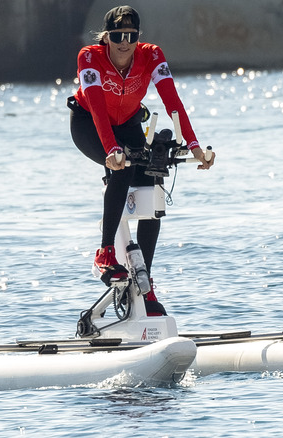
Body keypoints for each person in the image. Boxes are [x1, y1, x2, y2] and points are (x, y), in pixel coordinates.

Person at [67, 5, 215, 315]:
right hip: (89, 124)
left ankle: (143, 281)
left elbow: (172, 101)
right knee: (121, 170)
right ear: (107, 37)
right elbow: (95, 106)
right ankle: (105, 253)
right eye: (118, 36)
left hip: (129, 123)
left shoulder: (152, 56)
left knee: (153, 176)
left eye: (131, 36)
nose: (125, 43)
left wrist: (195, 145)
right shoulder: (90, 58)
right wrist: (110, 151)